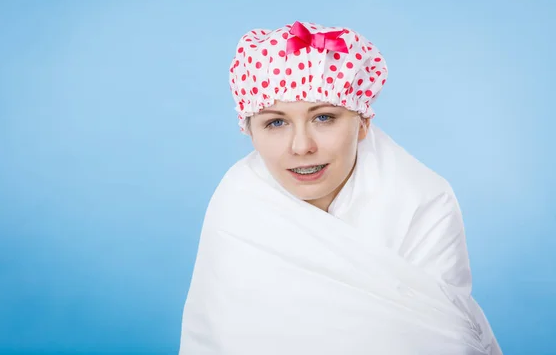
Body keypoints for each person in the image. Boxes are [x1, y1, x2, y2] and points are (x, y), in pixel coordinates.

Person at [179, 21, 502, 354]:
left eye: (324, 118)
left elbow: (439, 337)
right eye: (276, 122)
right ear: (249, 130)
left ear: (362, 122)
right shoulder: (238, 204)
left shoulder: (423, 200)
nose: (301, 146)